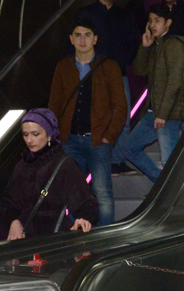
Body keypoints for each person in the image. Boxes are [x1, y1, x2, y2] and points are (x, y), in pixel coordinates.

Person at [48, 19, 127, 227]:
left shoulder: (109, 66)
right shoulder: (63, 66)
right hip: (70, 141)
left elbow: (120, 106)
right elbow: (54, 105)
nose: (83, 40)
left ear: (95, 39)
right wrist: (56, 137)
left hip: (98, 141)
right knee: (73, 194)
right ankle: (79, 242)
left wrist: (109, 136)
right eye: (78, 35)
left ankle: (105, 241)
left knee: (102, 193)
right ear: (71, 39)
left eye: (87, 35)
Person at [118, 4, 184, 182]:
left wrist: (163, 114)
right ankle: (162, 185)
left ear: (168, 23)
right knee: (128, 147)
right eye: (150, 21)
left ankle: (168, 194)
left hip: (168, 113)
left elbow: (175, 81)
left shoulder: (174, 44)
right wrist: (145, 47)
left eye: (157, 21)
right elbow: (139, 70)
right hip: (154, 111)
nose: (153, 25)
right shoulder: (158, 44)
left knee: (168, 161)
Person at [2, 109, 98, 240]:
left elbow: (86, 203)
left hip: (54, 238)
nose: (29, 140)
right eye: (25, 134)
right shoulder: (22, 165)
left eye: (35, 134)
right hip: (24, 238)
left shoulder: (64, 164)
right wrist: (14, 221)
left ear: (49, 134)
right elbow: (9, 202)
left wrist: (83, 219)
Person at [73, 0, 140, 109]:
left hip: (118, 73)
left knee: (122, 119)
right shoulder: (87, 14)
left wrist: (124, 59)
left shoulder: (124, 15)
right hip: (92, 74)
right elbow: (75, 42)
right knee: (95, 117)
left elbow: (134, 41)